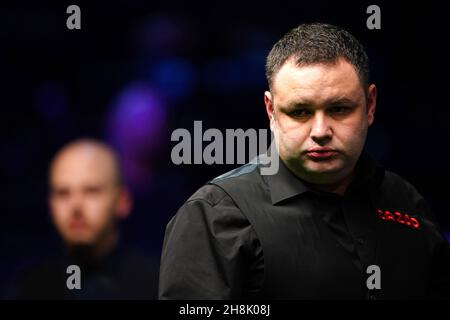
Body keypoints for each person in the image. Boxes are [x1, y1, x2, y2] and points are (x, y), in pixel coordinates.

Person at [159, 23, 450, 299]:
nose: (321, 132)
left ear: (370, 105)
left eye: (339, 109)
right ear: (271, 111)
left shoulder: (405, 201)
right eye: (299, 112)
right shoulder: (214, 215)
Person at [12, 139, 159, 299]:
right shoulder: (25, 289)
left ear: (122, 201)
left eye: (91, 191)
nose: (76, 206)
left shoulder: (161, 287)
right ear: (50, 205)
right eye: (63, 193)